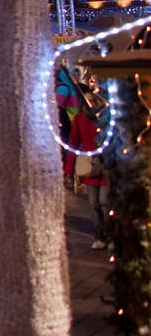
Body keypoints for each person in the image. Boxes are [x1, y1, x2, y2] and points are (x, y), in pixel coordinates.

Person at [65, 96, 109, 250]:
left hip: (106, 166)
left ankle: (110, 235)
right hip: (89, 167)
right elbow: (73, 143)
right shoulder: (81, 118)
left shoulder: (108, 116)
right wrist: (69, 170)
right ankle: (100, 236)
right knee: (94, 204)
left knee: (104, 202)